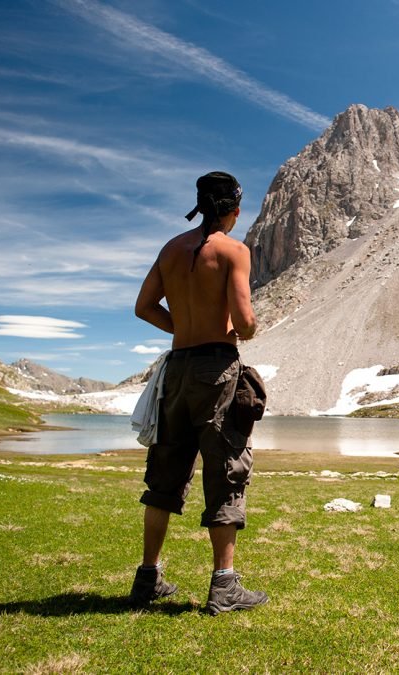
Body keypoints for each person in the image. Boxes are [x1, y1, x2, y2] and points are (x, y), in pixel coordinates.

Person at [128, 171, 267, 615]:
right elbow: (244, 322)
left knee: (165, 472)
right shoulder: (233, 250)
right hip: (215, 369)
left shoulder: (171, 248)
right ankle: (224, 585)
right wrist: (230, 328)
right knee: (226, 468)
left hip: (177, 368)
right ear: (234, 209)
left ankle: (148, 577)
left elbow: (143, 306)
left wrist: (182, 329)